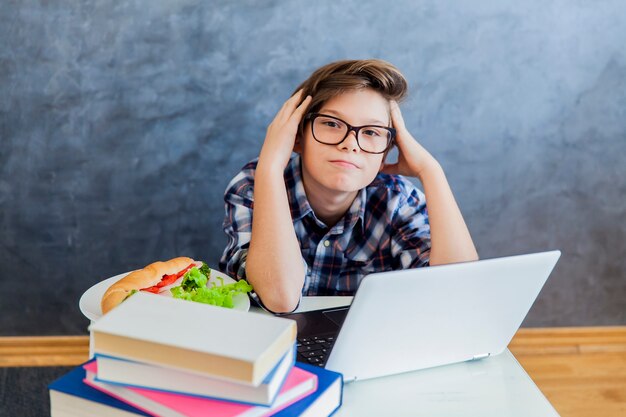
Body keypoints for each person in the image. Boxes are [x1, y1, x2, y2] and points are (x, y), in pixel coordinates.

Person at [219, 59, 478, 313]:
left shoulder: (396, 200)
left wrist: (430, 171)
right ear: (297, 136)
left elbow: (459, 294)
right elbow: (280, 298)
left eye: (372, 132)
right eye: (332, 124)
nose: (351, 144)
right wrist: (271, 164)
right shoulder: (255, 184)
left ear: (388, 149)